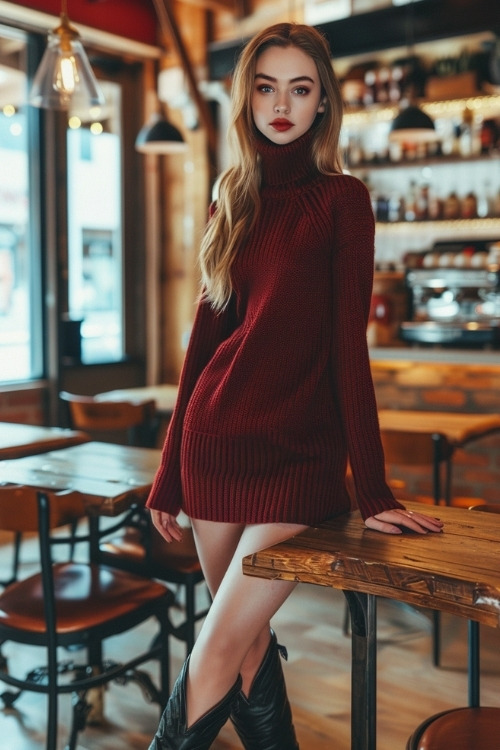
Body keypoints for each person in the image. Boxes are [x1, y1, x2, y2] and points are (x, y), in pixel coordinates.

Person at [146, 22, 444, 750]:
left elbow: (349, 352)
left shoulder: (343, 201)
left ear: (322, 104)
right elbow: (203, 346)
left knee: (218, 642)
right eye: (266, 86)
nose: (282, 103)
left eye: (300, 88)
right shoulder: (231, 199)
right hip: (215, 449)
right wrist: (166, 476)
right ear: (247, 99)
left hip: (299, 465)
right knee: (243, 643)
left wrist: (371, 490)